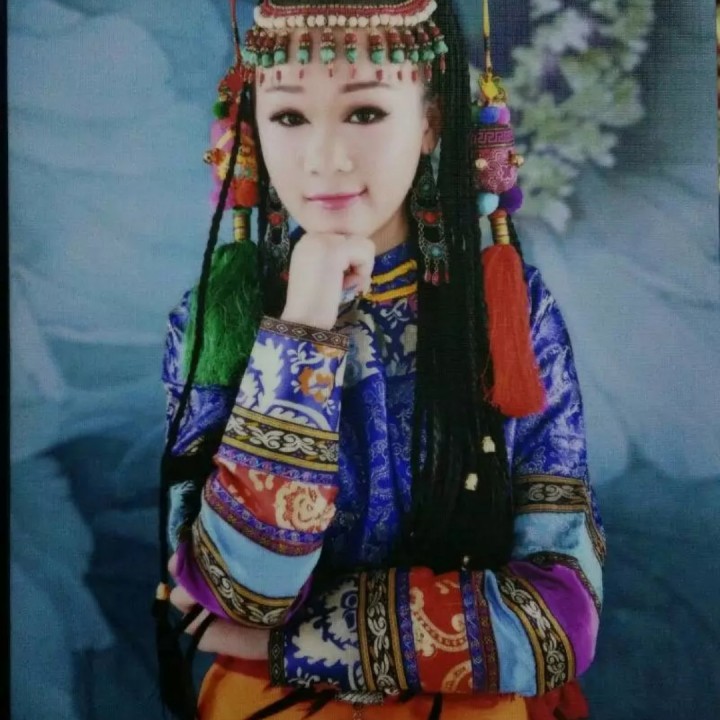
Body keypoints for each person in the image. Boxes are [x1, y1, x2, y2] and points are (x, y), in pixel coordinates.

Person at [152, 0, 606, 718]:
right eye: (289, 116)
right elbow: (240, 592)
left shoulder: (512, 313)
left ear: (429, 123)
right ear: (251, 127)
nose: (324, 158)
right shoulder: (215, 323)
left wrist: (281, 644)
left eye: (364, 112)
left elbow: (561, 619)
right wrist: (303, 323)